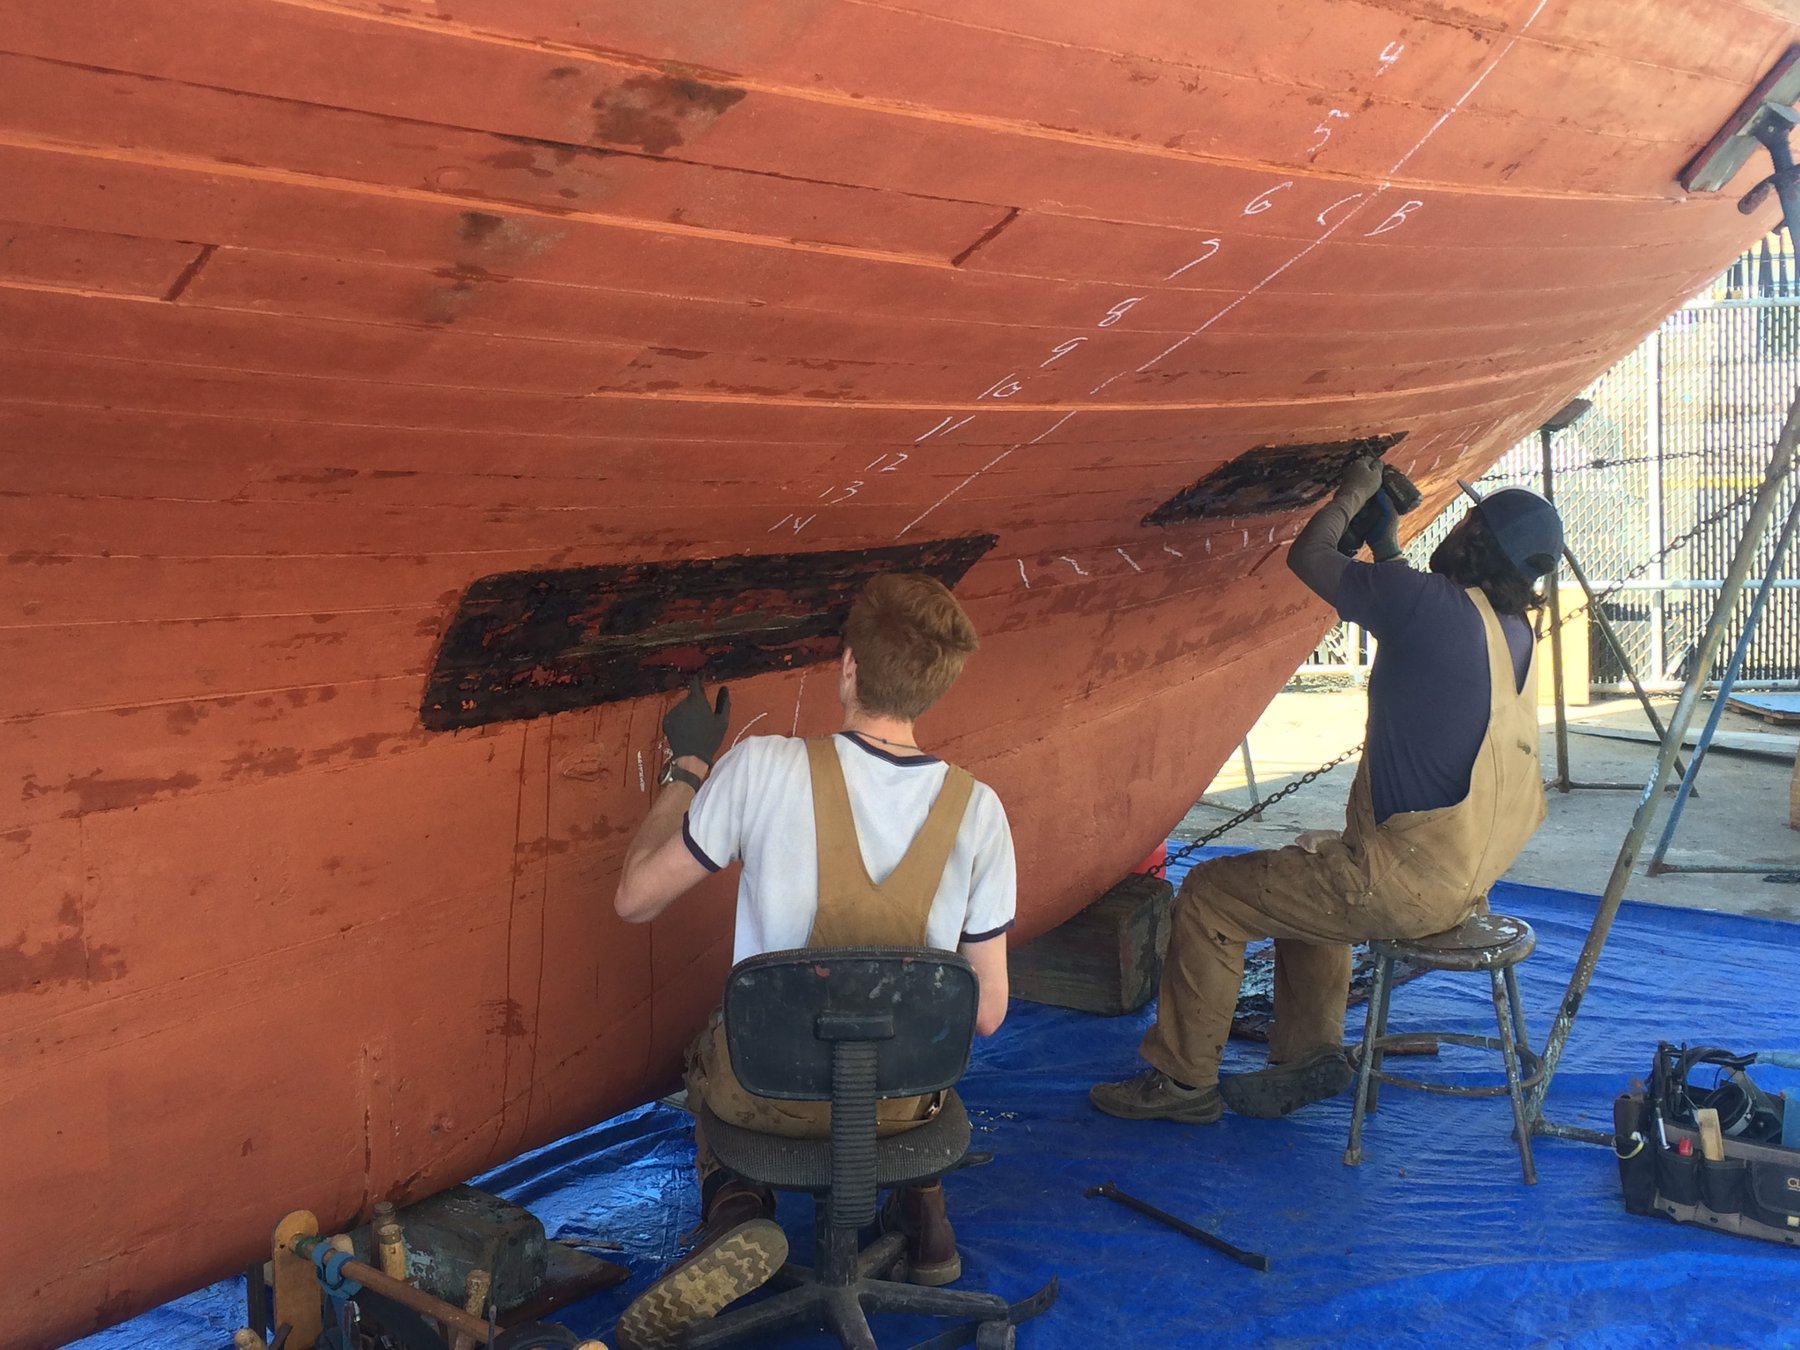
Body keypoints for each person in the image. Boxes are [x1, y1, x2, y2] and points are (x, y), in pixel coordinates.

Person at [610, 572, 1017, 1350]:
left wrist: (687, 768)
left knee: (712, 1040)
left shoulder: (761, 768)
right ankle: (923, 1214)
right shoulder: (980, 811)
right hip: (899, 1109)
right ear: (935, 688)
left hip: (768, 1098)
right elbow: (988, 1013)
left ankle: (735, 1206)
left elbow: (634, 898)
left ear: (850, 667)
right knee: (905, 1030)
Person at [1092, 456, 1562, 1125]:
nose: (1455, 528)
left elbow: (1309, 558)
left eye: (1466, 522)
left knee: (1209, 896)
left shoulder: (1429, 608)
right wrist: (1388, 542)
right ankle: (1310, 1051)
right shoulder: (1511, 632)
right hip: (1462, 880)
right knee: (1310, 867)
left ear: (1476, 541)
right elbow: (1416, 608)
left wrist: (1350, 497)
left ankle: (1181, 1082)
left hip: (1397, 888)